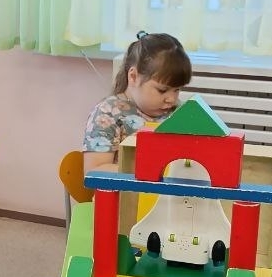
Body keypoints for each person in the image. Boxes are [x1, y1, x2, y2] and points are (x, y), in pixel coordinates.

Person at [82, 32, 192, 172]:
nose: (171, 99)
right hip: (125, 186)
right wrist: (147, 172)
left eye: (177, 90)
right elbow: (93, 170)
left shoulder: (178, 112)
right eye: (162, 90)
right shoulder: (107, 113)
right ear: (133, 76)